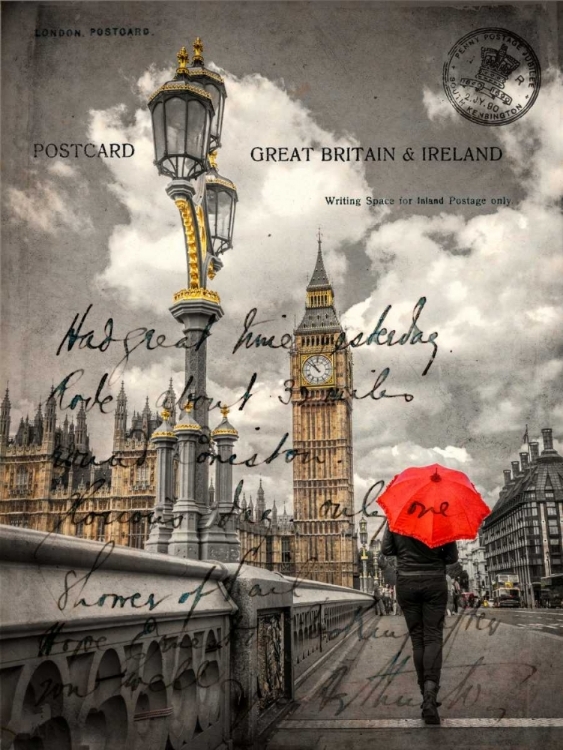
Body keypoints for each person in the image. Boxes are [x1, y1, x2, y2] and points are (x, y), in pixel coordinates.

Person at [381, 522, 459, 725]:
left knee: (418, 641)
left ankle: (425, 696)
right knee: (433, 637)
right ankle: (430, 696)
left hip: (406, 582)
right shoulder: (441, 515)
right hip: (434, 581)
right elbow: (452, 557)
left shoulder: (397, 517)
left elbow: (386, 549)